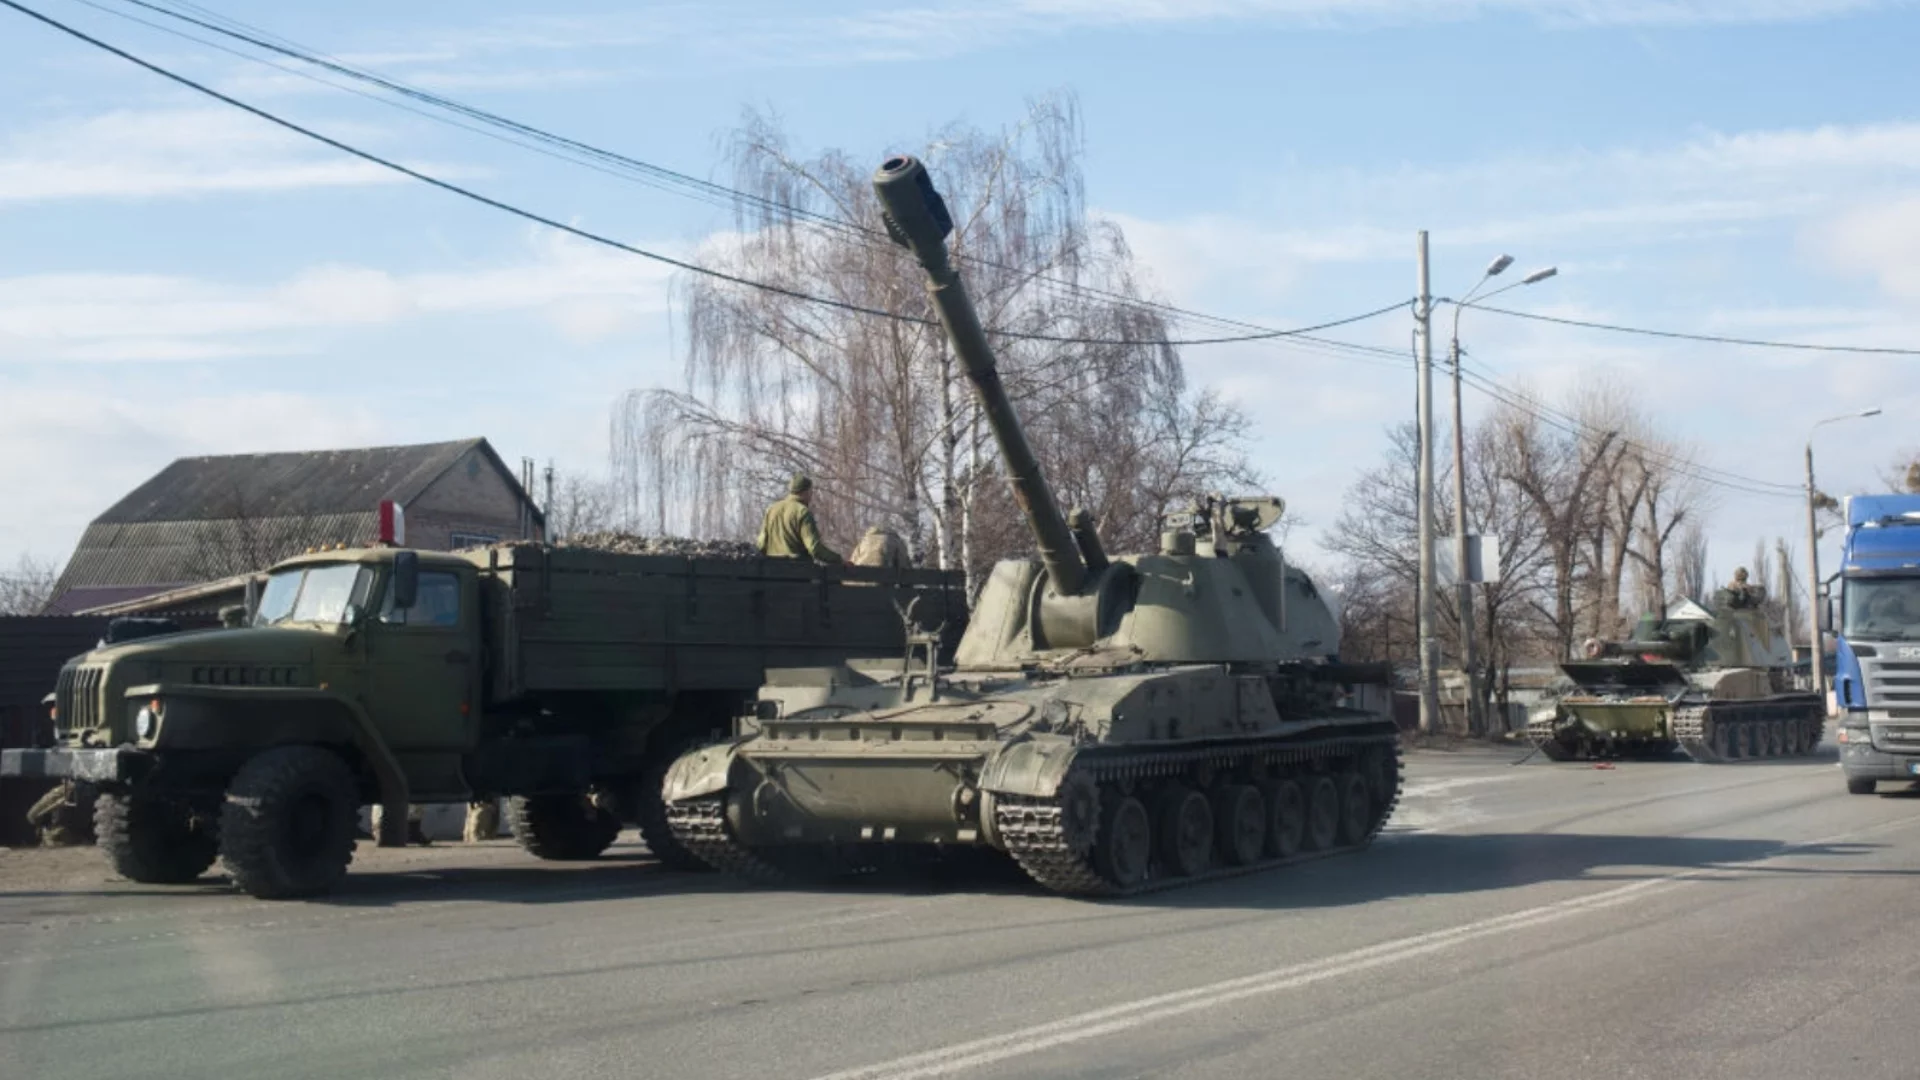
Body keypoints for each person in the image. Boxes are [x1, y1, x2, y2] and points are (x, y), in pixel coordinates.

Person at [756, 474, 842, 563]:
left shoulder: (771, 509)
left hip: (771, 570)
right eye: (811, 492)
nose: (811, 496)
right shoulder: (802, 512)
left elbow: (761, 544)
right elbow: (814, 548)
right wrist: (838, 559)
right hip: (797, 571)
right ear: (806, 492)